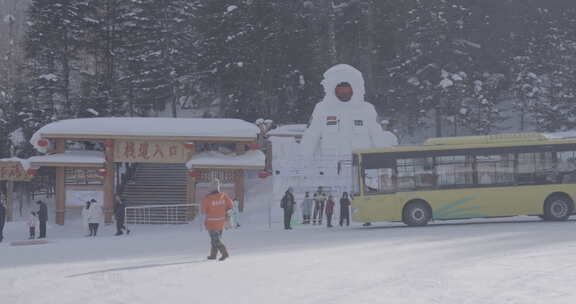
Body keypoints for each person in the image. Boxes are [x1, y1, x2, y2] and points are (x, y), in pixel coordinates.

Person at [201, 178, 233, 261]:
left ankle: (224, 253)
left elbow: (203, 211)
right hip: (221, 222)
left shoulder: (207, 198)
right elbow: (230, 206)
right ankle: (213, 255)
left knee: (215, 239)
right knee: (215, 239)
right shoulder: (224, 196)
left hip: (211, 222)